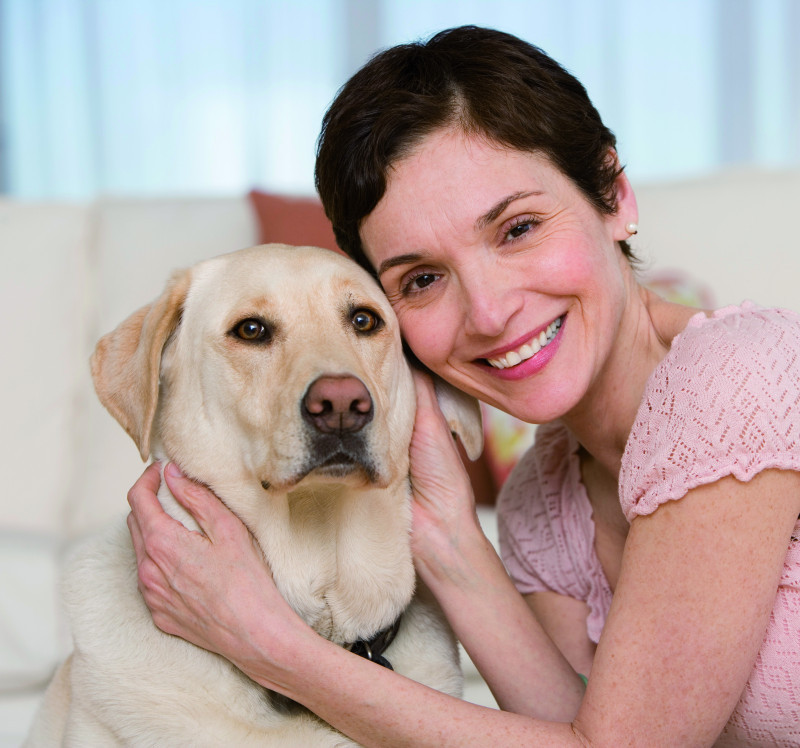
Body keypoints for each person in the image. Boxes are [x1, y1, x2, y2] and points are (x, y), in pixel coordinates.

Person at [126, 25, 800, 745]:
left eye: (517, 229)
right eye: (422, 279)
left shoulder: (735, 379)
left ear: (613, 196)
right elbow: (571, 727)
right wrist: (445, 533)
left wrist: (270, 645)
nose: (487, 311)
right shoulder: (542, 503)